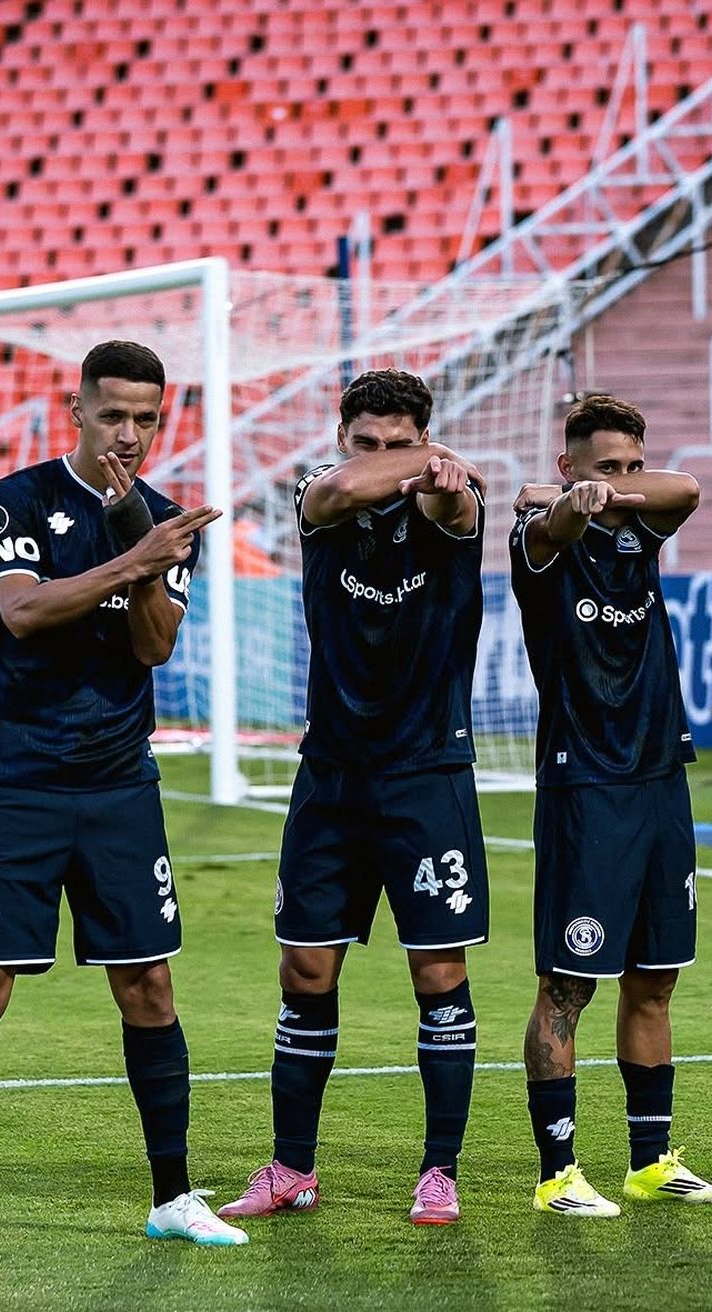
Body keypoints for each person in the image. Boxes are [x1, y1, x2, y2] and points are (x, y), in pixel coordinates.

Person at [0, 340, 245, 1258]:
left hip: (120, 785)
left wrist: (140, 538)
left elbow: (156, 648)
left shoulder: (166, 522)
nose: (129, 433)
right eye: (113, 414)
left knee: (149, 985)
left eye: (146, 418)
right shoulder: (16, 497)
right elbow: (22, 611)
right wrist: (132, 565)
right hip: (17, 781)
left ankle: (172, 1194)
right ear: (77, 411)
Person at [218, 368, 487, 1227]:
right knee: (305, 968)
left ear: (421, 437)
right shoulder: (320, 496)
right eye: (367, 443)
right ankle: (292, 1167)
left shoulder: (452, 501)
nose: (381, 459)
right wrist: (424, 459)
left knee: (438, 972)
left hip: (427, 775)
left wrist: (442, 478)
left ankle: (438, 1169)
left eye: (399, 443)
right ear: (344, 441)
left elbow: (458, 511)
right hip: (330, 773)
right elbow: (336, 491)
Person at [509, 394, 712, 1216]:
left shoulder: (641, 525)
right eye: (607, 466)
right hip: (585, 783)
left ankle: (649, 1160)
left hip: (660, 775)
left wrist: (614, 492)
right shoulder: (537, 544)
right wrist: (561, 503)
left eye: (632, 464)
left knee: (656, 978)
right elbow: (551, 529)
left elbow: (689, 489)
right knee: (568, 985)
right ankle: (557, 1174)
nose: (624, 482)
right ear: (569, 464)